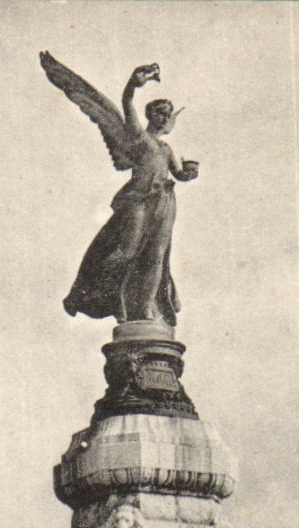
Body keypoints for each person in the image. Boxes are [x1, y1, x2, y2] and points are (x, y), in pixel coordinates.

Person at [40, 56, 199, 327]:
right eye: (159, 112)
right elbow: (126, 105)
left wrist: (188, 172)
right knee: (126, 250)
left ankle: (146, 306)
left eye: (167, 114)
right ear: (150, 115)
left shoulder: (165, 149)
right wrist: (133, 85)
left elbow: (178, 173)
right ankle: (106, 296)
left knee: (156, 256)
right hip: (139, 200)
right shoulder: (138, 137)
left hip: (164, 203)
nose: (164, 117)